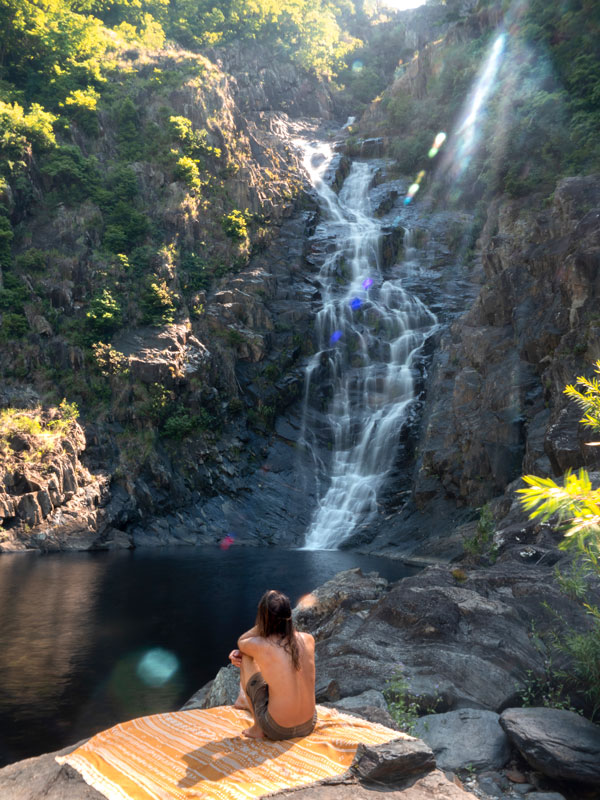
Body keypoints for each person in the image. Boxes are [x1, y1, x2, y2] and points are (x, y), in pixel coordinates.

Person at [228, 589, 316, 740]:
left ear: (264, 617)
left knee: (245, 655)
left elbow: (242, 641)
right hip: (309, 724)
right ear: (289, 615)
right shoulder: (308, 639)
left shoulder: (261, 645)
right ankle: (244, 699)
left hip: (279, 730)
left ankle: (257, 728)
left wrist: (264, 622)